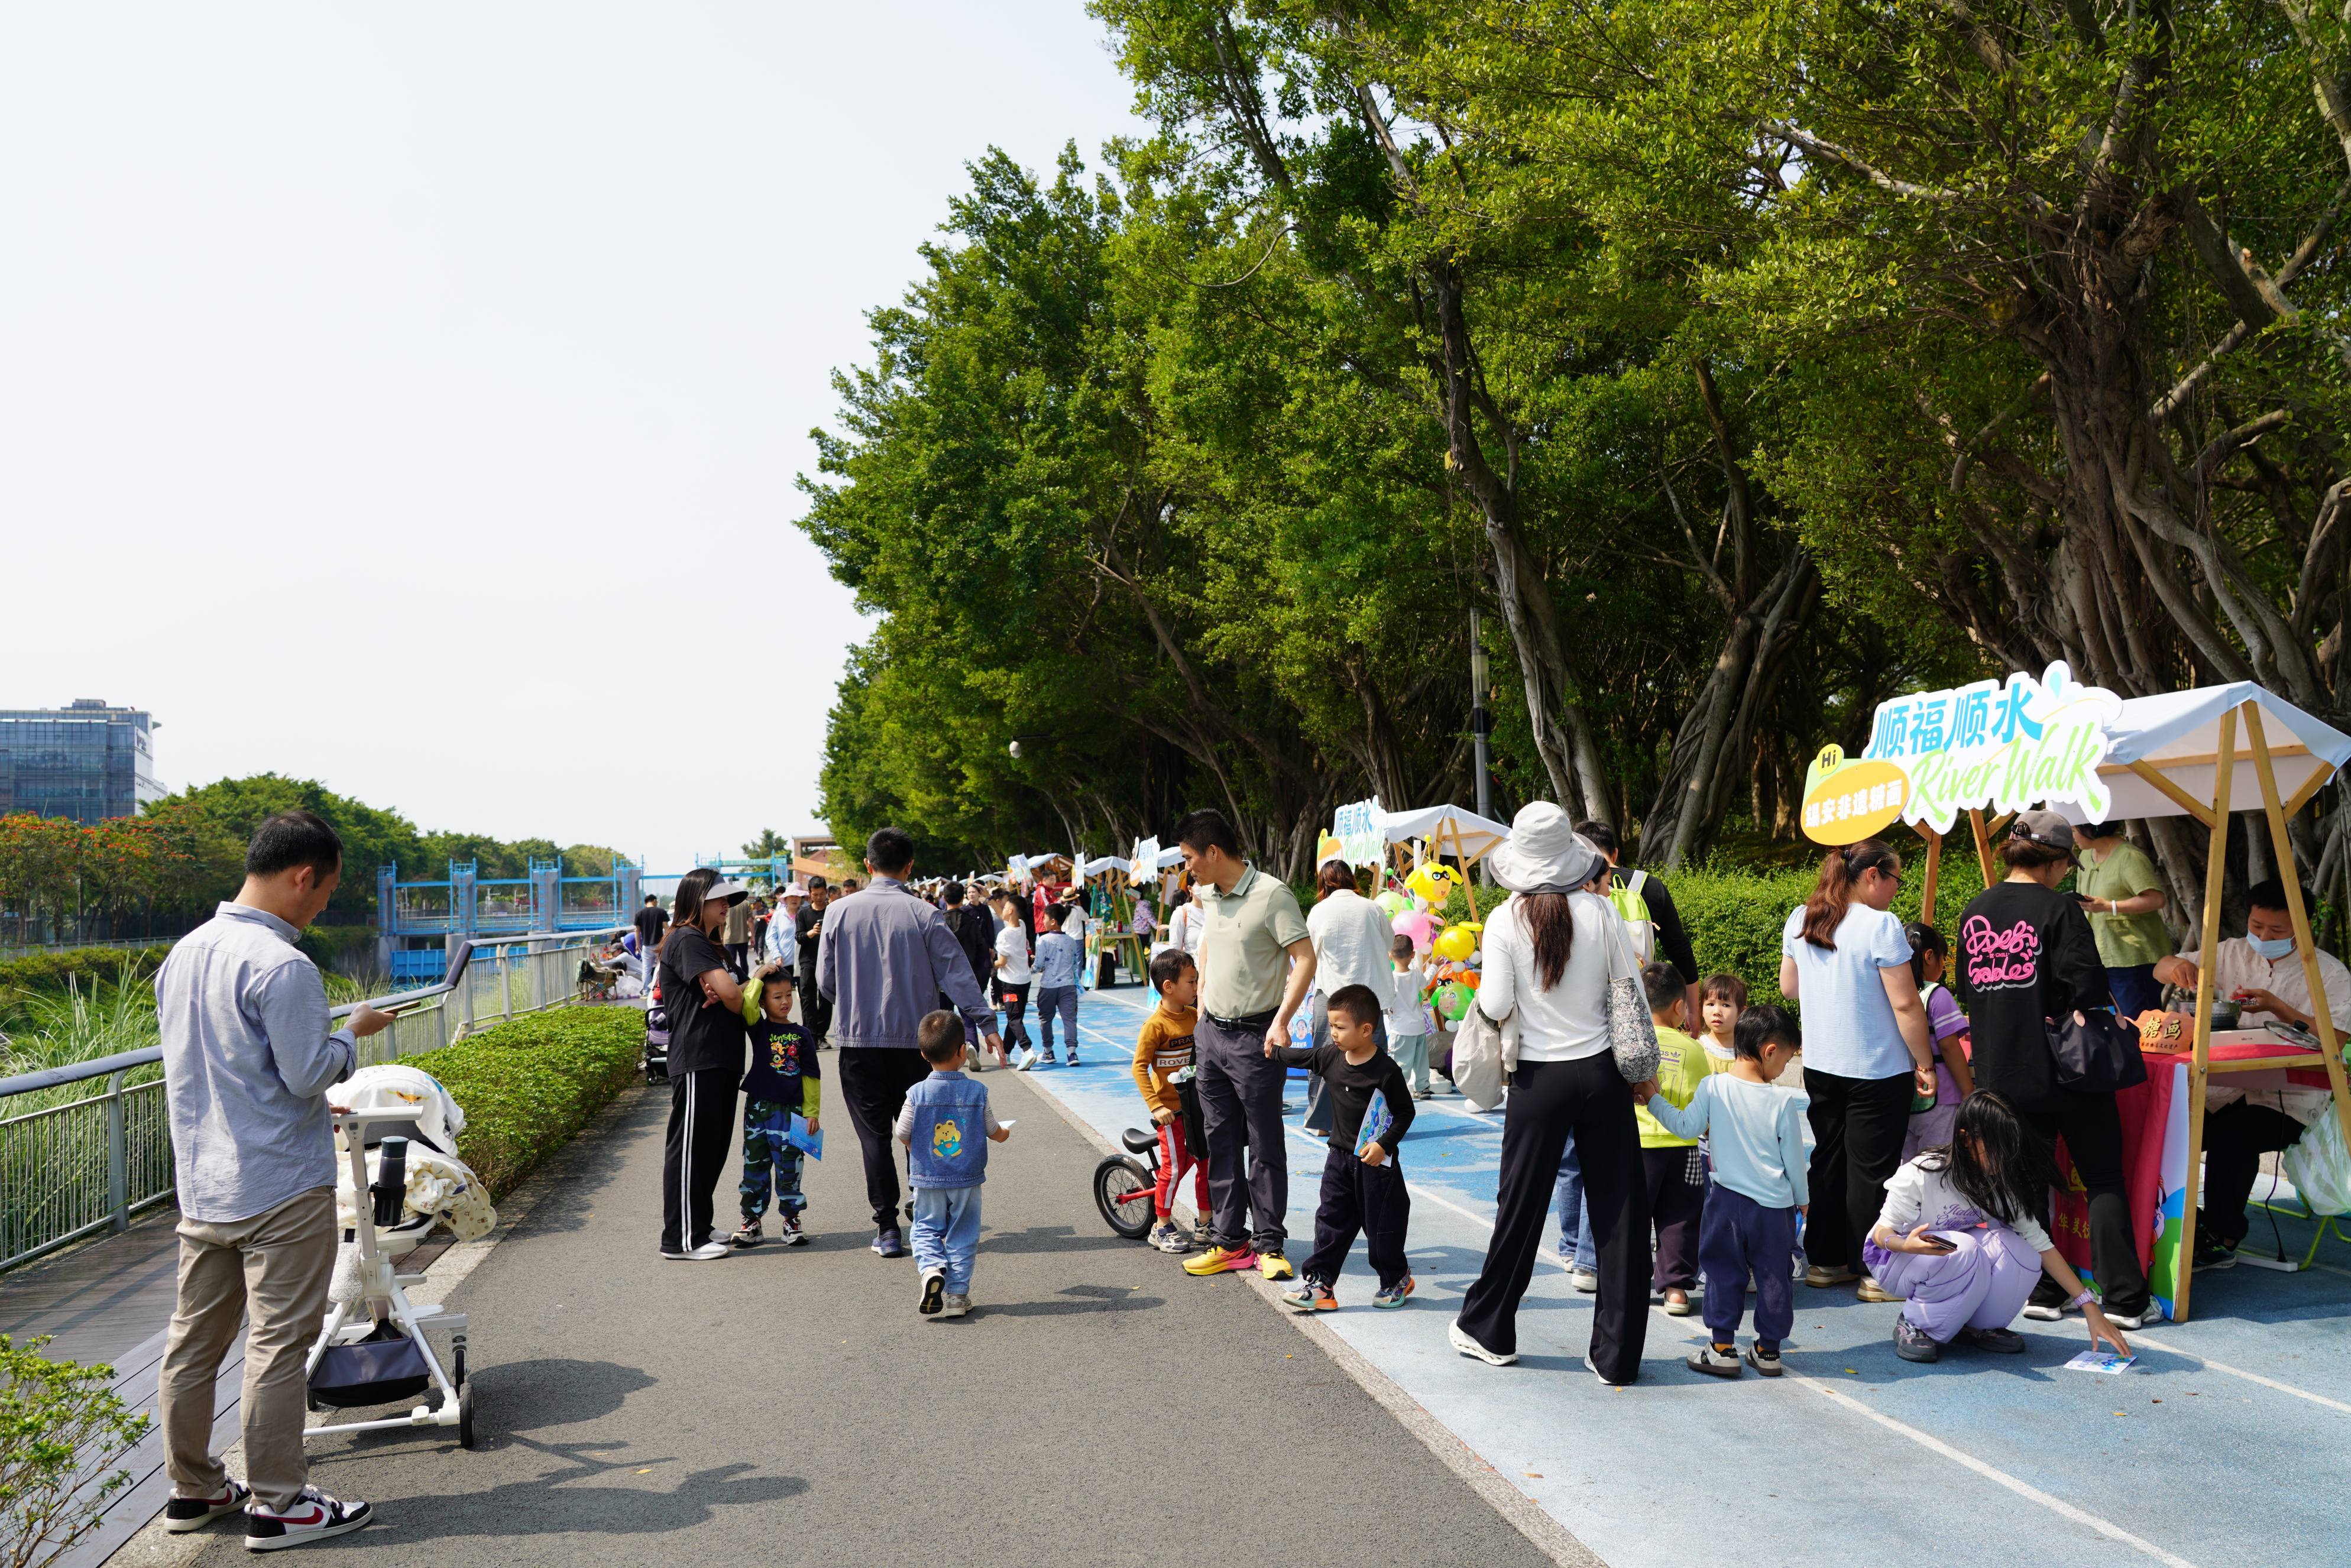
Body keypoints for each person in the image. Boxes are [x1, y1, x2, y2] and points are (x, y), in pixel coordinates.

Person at [154, 810, 390, 1549]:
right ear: (302, 877)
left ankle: (194, 1489)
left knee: (192, 1345)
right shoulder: (283, 965)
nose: (323, 905)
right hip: (280, 1186)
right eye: (327, 891)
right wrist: (352, 1034)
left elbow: (225, 1069)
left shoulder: (185, 954)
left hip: (204, 1184)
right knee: (278, 1345)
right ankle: (280, 1503)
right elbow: (307, 1074)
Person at [1448, 803, 1651, 1384]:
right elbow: (1631, 991)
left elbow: (1494, 1004)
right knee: (1619, 1211)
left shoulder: (1504, 918)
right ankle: (1616, 1357)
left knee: (1521, 1206)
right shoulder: (1602, 911)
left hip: (1538, 1081)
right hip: (1603, 1074)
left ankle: (1490, 1330)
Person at [1952, 809, 2151, 1326]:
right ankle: (2124, 1300)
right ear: (2058, 862)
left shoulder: (1975, 910)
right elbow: (2086, 987)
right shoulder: (2060, 909)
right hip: (2069, 1069)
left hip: (2001, 1071)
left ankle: (2041, 1291)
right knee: (2102, 1176)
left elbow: (1967, 989)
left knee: (2026, 1183)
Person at [816, 827, 1003, 1259]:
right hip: (916, 1045)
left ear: (868, 864)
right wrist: (985, 1022)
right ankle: (925, 1215)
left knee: (874, 1138)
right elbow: (957, 972)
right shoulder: (924, 913)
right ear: (910, 866)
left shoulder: (838, 912)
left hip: (858, 1043)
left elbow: (826, 983)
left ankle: (887, 1230)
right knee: (920, 1132)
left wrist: (856, 998)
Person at [2153, 878, 2351, 1267]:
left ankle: (2222, 1236)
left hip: (2291, 1097)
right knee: (2175, 1128)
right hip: (2222, 1087)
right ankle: (2174, 1223)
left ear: (2302, 926)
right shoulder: (2230, 952)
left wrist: (2278, 1007)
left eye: (2276, 930)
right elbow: (2161, 967)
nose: (2263, 937)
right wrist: (2177, 966)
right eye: (2256, 926)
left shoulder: (2329, 973)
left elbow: (2338, 1038)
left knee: (2234, 1139)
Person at [1779, 837, 1937, 1303]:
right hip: (1877, 1067)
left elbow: (1789, 987)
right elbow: (1906, 1004)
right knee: (1872, 1170)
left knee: (1828, 1160)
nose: (1896, 890)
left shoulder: (1801, 917)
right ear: (1872, 875)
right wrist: (1925, 1062)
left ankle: (1825, 1262)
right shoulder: (1881, 925)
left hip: (1821, 1063)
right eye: (1896, 880)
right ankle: (1874, 1271)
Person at [1868, 1091, 2134, 1365]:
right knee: (1963, 1248)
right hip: (1894, 1259)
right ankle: (1915, 1324)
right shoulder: (1925, 1172)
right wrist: (1906, 1244)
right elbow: (1881, 1234)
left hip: (1951, 1257)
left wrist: (2090, 1307)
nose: (2005, 1158)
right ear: (1966, 1139)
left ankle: (1976, 1327)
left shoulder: (2001, 1182)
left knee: (2023, 1253)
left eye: (2010, 1148)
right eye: (1996, 1148)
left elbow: (2042, 1246)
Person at [1176, 808, 1316, 1281]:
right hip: (1211, 1036)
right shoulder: (1208, 895)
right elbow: (1209, 948)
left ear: (1214, 852)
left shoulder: (1272, 895)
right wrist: (1202, 1006)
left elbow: (1305, 958)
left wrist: (1282, 1021)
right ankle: (1229, 1241)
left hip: (1257, 1037)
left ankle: (1270, 1243)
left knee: (1264, 1142)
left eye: (1190, 858)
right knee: (1219, 1141)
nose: (1187, 869)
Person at [1638, 1003, 1809, 1378]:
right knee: (1774, 1276)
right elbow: (1794, 1160)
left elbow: (1685, 1127)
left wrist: (1653, 1099)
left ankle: (1721, 1349)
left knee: (1723, 1271)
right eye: (1785, 1060)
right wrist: (1803, 1199)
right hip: (1774, 1208)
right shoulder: (1782, 1100)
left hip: (1726, 1202)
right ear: (1769, 1051)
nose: (1783, 1068)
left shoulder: (1714, 1087)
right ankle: (1768, 1350)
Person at [1272, 983, 1418, 1311]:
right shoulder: (1331, 1057)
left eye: (1340, 1027)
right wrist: (1273, 1050)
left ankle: (1396, 1278)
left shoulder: (1386, 1071)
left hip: (1375, 1165)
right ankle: (1321, 1284)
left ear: (1366, 1030)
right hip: (1339, 1159)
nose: (1333, 1033)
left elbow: (1405, 1113)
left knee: (1382, 1228)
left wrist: (1383, 1145)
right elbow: (1304, 1057)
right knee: (1330, 1221)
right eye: (1332, 1026)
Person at [657, 868, 754, 1261]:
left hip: (721, 1057)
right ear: (698, 900)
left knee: (712, 1148)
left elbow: (740, 991)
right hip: (698, 1056)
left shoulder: (715, 948)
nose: (727, 905)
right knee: (691, 1150)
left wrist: (737, 988)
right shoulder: (687, 938)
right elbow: (736, 994)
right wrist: (732, 991)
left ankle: (698, 1224)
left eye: (728, 899)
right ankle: (681, 1239)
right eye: (720, 899)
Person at [895, 1010, 1012, 1318]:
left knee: (925, 1227)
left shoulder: (916, 1093)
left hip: (927, 1177)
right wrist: (1005, 1134)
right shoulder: (977, 1091)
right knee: (963, 1233)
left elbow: (902, 1132)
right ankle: (957, 1297)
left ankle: (931, 1269)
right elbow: (993, 1130)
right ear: (963, 1051)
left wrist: (915, 1148)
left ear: (923, 1054)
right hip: (967, 1178)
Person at [1633, 960, 1717, 1316]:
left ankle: (1632, 1283)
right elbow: (1703, 1104)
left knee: (1632, 1217)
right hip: (1683, 1150)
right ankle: (1677, 1289)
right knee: (1680, 1218)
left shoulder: (1630, 1045)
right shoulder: (1694, 1050)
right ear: (1680, 1007)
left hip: (1636, 1147)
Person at [730, 961, 820, 1249]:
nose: (785, 1002)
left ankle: (792, 1220)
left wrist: (812, 1112)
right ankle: (751, 1221)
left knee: (790, 1166)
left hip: (792, 1113)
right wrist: (757, 977)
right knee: (754, 1165)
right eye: (777, 997)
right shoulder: (759, 1028)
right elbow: (746, 1006)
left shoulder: (803, 1034)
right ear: (764, 1001)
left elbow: (811, 1076)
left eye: (788, 995)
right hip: (758, 1110)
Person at [1303, 858, 1396, 1133]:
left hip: (1331, 994)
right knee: (1374, 1059)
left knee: (1324, 1058)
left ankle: (1323, 1122)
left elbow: (1309, 953)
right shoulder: (1372, 908)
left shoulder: (1319, 911)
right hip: (1368, 996)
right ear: (1350, 879)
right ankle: (1373, 1122)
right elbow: (1389, 942)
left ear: (1323, 883)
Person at [1576, 820, 1699, 1013]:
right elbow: (1680, 951)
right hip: (1640, 1004)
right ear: (1615, 853)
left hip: (1588, 1007)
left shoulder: (1573, 891)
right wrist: (1692, 1011)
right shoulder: (1649, 885)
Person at [1135, 948, 1212, 1252]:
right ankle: (1161, 1226)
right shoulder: (1155, 1026)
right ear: (1169, 987)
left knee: (1207, 1164)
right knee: (1174, 1169)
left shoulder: (1195, 1017)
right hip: (1170, 1113)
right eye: (1191, 982)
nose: (1196, 987)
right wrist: (1156, 1106)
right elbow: (1139, 1067)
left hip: (1199, 1108)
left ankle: (1205, 1223)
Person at [2072, 822, 2171, 1019]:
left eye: (2074, 830)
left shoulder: (2129, 857)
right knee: (2111, 1025)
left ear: (2091, 828)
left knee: (2138, 1025)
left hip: (2133, 959)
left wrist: (2110, 906)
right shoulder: (2085, 856)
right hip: (2100, 957)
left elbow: (2156, 899)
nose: (2072, 836)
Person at [1901, 922, 1976, 1159]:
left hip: (1903, 1098)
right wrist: (1968, 1092)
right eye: (1943, 959)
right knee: (1937, 1165)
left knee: (1907, 1169)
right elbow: (1949, 1047)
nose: (1943, 967)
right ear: (1929, 956)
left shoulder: (1895, 994)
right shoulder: (1937, 994)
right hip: (1940, 1098)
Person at [939, 882, 996, 1066]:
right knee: (968, 1018)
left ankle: (946, 1056)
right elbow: (982, 952)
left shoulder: (938, 922)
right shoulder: (971, 922)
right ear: (963, 897)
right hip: (967, 978)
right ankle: (971, 1045)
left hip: (943, 979)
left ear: (944, 898)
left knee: (944, 1020)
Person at [1022, 905, 1083, 1067]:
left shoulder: (1044, 940)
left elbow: (1038, 965)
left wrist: (1033, 966)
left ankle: (1048, 1051)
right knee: (1070, 1019)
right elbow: (1074, 963)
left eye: (1045, 918)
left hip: (1048, 986)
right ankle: (1072, 1052)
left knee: (1045, 1019)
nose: (1043, 921)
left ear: (1053, 921)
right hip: (1068, 985)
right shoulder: (1071, 941)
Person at [1385, 932, 1433, 1099]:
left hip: (1401, 1029)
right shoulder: (1417, 974)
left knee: (1400, 1062)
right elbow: (1427, 980)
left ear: (1390, 955)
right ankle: (1423, 1088)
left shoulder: (1390, 979)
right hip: (1419, 1027)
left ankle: (1397, 1091)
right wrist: (1434, 966)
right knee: (1421, 1061)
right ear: (1413, 955)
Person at [990, 892, 1035, 1059]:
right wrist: (990, 899)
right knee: (1015, 1017)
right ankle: (1006, 1052)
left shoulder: (1004, 935)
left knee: (1014, 1018)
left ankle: (1027, 1049)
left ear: (1010, 911)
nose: (1002, 910)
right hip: (1025, 980)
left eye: (1005, 907)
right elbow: (1004, 917)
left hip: (1010, 983)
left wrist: (990, 963)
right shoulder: (1021, 925)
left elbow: (1002, 962)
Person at [796, 880, 832, 1046]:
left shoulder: (832, 911)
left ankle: (821, 1035)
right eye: (815, 894)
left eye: (821, 894)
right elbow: (799, 937)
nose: (818, 897)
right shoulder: (803, 913)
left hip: (828, 961)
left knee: (826, 998)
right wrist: (811, 933)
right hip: (808, 962)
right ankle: (810, 1036)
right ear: (810, 893)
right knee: (808, 999)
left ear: (826, 892)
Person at [1697, 972, 1747, 1068]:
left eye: (1726, 1005)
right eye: (1711, 1004)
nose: (1717, 1012)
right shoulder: (1698, 1048)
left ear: (1741, 1013)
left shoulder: (1748, 1054)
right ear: (1701, 1009)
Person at [722, 886, 754, 979]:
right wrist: (753, 937)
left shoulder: (727, 904)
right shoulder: (746, 903)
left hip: (729, 938)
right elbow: (750, 920)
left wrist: (721, 937)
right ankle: (746, 980)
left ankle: (733, 980)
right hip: (743, 938)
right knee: (744, 960)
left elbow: (721, 923)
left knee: (731, 962)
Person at [1165, 886, 1204, 957]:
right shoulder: (1181, 913)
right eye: (1200, 885)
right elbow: (1175, 950)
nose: (1204, 886)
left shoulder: (1218, 910)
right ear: (1190, 888)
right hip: (1194, 963)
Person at [633, 892, 668, 956]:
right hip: (659, 945)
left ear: (646, 903)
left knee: (646, 963)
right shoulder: (662, 912)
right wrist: (666, 942)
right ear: (655, 901)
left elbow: (637, 931)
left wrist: (638, 945)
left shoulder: (639, 914)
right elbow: (666, 928)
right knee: (660, 962)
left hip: (646, 946)